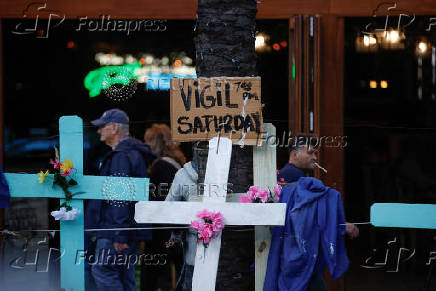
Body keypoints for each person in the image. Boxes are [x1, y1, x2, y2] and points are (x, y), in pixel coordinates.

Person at [85, 108, 157, 291]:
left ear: (114, 127)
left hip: (114, 231)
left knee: (103, 271)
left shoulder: (121, 156)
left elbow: (120, 198)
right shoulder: (132, 153)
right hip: (126, 229)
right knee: (126, 277)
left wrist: (119, 234)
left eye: (102, 126)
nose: (99, 130)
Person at [273, 136, 358, 291]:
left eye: (316, 154)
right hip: (299, 252)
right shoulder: (294, 178)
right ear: (294, 154)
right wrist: (340, 226)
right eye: (311, 153)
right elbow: (307, 218)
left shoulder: (289, 175)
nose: (315, 157)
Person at [140, 124, 186, 291]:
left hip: (163, 229)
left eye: (148, 141)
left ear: (155, 143)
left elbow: (163, 199)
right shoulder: (177, 164)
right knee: (180, 270)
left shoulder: (161, 166)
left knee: (150, 274)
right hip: (175, 227)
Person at [164, 144, 208, 291]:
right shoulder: (182, 175)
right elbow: (169, 209)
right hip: (194, 248)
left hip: (200, 251)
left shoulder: (182, 174)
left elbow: (169, 207)